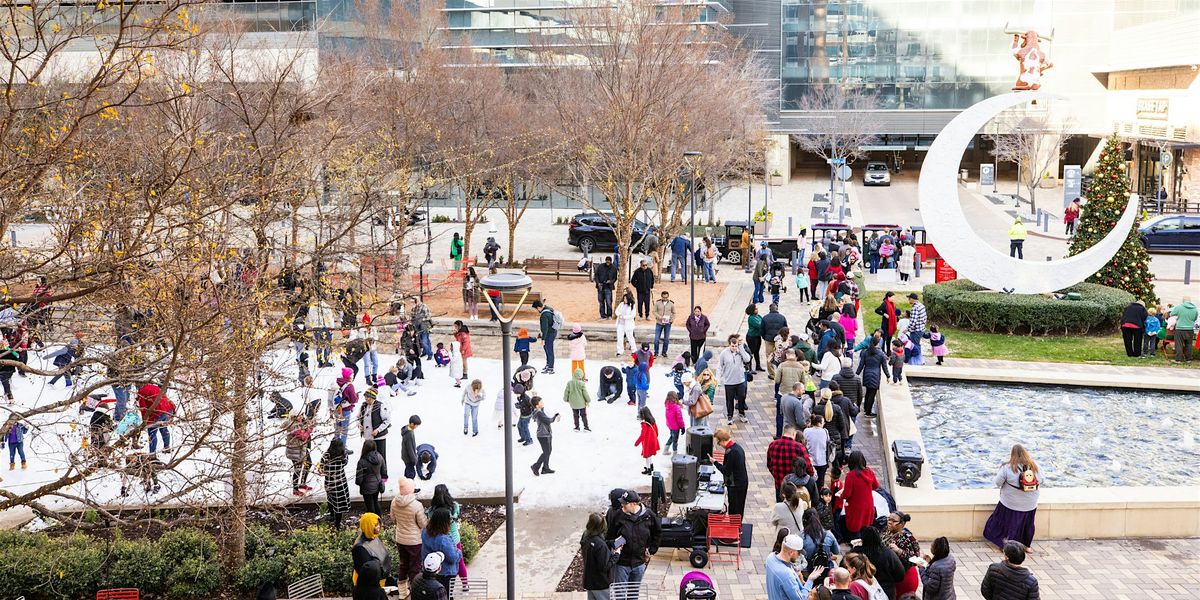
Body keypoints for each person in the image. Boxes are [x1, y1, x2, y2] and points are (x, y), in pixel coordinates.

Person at [983, 444, 1041, 550]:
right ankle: (1026, 546)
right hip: (1030, 505)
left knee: (1003, 522)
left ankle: (1006, 545)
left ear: (1012, 454)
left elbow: (997, 483)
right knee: (1028, 525)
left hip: (1010, 504)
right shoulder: (1035, 466)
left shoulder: (1007, 468)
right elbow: (1042, 480)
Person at [607, 490, 662, 587]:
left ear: (633, 504)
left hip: (639, 563)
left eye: (625, 503)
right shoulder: (618, 516)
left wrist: (652, 550)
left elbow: (657, 533)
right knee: (620, 594)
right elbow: (610, 536)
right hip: (621, 563)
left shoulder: (649, 516)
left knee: (633, 593)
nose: (622, 505)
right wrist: (615, 545)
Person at [390, 477, 428, 585]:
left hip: (400, 539)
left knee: (403, 564)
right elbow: (423, 524)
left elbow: (393, 519)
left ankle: (402, 591)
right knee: (415, 567)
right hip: (414, 541)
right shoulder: (417, 505)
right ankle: (414, 590)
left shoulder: (394, 502)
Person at [767, 534, 825, 600]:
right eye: (799, 553)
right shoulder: (787, 575)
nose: (799, 556)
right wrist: (810, 580)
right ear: (791, 552)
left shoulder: (770, 558)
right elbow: (801, 598)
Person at [854, 526, 907, 600]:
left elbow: (843, 566)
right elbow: (900, 575)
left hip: (861, 590)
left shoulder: (856, 553)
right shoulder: (888, 553)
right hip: (886, 590)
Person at [352, 513, 391, 600]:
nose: (378, 527)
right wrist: (378, 590)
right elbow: (368, 573)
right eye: (375, 525)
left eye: (378, 524)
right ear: (368, 526)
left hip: (378, 581)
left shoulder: (372, 536)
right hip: (369, 587)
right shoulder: (360, 548)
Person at [841, 451, 880, 541]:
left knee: (855, 532)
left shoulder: (851, 476)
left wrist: (841, 495)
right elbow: (876, 486)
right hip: (868, 506)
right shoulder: (870, 472)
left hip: (855, 508)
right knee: (866, 528)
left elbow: (847, 494)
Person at [768, 424, 813, 500]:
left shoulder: (773, 445)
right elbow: (808, 466)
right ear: (794, 434)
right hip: (796, 487)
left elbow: (769, 465)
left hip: (780, 485)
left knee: (781, 509)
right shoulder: (799, 447)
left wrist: (776, 475)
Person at [421, 508, 463, 588]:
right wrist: (458, 551)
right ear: (444, 523)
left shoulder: (425, 532)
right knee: (445, 594)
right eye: (450, 520)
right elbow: (453, 558)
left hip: (429, 570)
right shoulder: (443, 540)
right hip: (445, 573)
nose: (451, 522)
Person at [581, 513, 618, 600]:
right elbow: (605, 567)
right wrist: (616, 555)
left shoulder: (586, 536)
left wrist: (609, 543)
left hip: (589, 581)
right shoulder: (600, 545)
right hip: (601, 584)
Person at [713, 427, 748, 516]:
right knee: (739, 508)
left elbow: (726, 470)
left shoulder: (731, 452)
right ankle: (737, 527)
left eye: (718, 442)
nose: (719, 445)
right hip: (740, 482)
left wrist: (715, 462)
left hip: (736, 485)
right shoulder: (737, 447)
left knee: (734, 509)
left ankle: (735, 527)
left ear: (722, 440)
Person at [717, 334, 752, 424]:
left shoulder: (740, 351)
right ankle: (730, 416)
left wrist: (741, 348)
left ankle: (741, 414)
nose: (734, 348)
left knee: (742, 397)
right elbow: (719, 366)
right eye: (732, 346)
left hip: (740, 380)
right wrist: (718, 379)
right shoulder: (724, 353)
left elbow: (747, 359)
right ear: (729, 345)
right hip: (729, 381)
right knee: (729, 400)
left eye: (735, 346)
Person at [322, 438, 350, 530]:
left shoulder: (326, 456)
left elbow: (322, 467)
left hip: (329, 482)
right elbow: (346, 462)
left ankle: (331, 515)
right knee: (339, 505)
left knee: (330, 499)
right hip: (340, 484)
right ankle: (337, 525)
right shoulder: (343, 456)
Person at [530, 396, 560, 475]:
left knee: (548, 451)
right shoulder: (539, 413)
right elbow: (548, 420)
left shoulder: (540, 410)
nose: (543, 403)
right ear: (537, 405)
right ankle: (536, 466)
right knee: (546, 452)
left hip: (546, 433)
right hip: (543, 435)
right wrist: (555, 417)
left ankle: (545, 468)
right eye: (541, 402)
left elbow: (548, 412)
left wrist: (556, 413)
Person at [355, 439, 384, 517]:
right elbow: (384, 471)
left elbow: (359, 479)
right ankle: (379, 520)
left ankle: (372, 523)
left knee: (370, 506)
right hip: (377, 484)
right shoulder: (380, 457)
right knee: (375, 501)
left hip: (366, 487)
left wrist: (359, 483)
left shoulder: (362, 461)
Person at [760, 303, 789, 379]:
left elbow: (761, 330)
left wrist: (765, 337)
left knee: (769, 356)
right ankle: (781, 372)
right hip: (779, 340)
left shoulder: (765, 318)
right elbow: (786, 329)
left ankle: (772, 374)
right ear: (777, 309)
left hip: (768, 340)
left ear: (769, 309)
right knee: (780, 355)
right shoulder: (782, 317)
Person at [804, 414, 830, 487]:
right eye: (823, 422)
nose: (824, 424)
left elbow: (804, 441)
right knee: (820, 482)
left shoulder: (807, 431)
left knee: (810, 481)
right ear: (819, 423)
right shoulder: (825, 431)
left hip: (810, 460)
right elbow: (828, 441)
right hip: (822, 461)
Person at [532, 300, 558, 374]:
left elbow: (545, 328)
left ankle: (550, 367)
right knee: (547, 349)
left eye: (536, 309)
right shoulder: (548, 308)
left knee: (549, 350)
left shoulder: (544, 315)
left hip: (549, 334)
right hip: (553, 332)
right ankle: (548, 364)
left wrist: (543, 339)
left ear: (538, 307)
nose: (537, 311)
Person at [1169, 297, 1196, 362]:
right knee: (1189, 344)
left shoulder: (1179, 307)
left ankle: (1178, 359)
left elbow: (1171, 314)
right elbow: (1195, 318)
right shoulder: (1195, 308)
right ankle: (1188, 359)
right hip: (1190, 329)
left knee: (1179, 344)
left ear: (1183, 301)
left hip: (1180, 329)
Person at [634, 406, 660, 475]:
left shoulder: (644, 424)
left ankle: (648, 469)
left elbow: (642, 435)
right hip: (653, 440)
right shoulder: (652, 421)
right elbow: (656, 431)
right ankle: (651, 466)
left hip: (647, 442)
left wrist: (637, 442)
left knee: (647, 456)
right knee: (650, 455)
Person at [653, 290, 675, 357]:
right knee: (656, 339)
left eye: (666, 297)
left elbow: (674, 313)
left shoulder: (671, 304)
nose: (665, 299)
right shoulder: (657, 303)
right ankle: (656, 352)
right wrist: (660, 317)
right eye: (663, 297)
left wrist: (671, 320)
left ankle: (664, 352)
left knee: (666, 339)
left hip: (667, 324)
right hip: (659, 323)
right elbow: (654, 311)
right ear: (661, 297)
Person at [401, 415, 422, 480]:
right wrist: (414, 460)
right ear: (412, 424)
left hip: (405, 456)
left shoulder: (406, 429)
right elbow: (410, 448)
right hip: (409, 458)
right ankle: (410, 489)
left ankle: (405, 486)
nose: (417, 427)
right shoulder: (409, 434)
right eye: (416, 425)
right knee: (411, 474)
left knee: (407, 472)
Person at [745, 304, 765, 372]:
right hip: (752, 337)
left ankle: (758, 366)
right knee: (751, 352)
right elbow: (760, 325)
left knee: (757, 351)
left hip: (757, 336)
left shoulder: (758, 316)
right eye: (756, 309)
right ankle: (749, 368)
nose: (757, 310)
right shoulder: (751, 318)